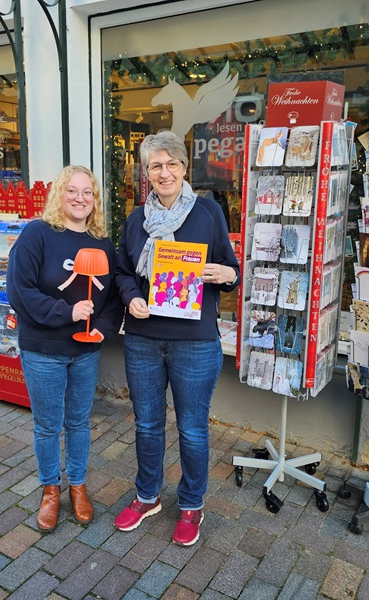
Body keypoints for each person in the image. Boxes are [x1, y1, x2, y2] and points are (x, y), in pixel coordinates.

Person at [114, 131, 240, 546]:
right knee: (147, 424)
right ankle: (148, 495)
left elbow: (230, 266)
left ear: (184, 168)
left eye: (171, 164)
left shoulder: (207, 213)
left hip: (194, 340)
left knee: (192, 428)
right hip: (143, 338)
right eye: (155, 165)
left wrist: (226, 275)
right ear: (146, 173)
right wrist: (132, 297)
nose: (164, 172)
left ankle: (191, 504)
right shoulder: (136, 220)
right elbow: (122, 272)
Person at [7, 165, 123, 533]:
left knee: (78, 422)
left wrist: (101, 330)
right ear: (59, 194)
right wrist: (67, 312)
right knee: (47, 425)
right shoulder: (37, 235)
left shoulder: (102, 243)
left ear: (95, 200)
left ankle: (77, 486)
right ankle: (50, 491)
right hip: (43, 349)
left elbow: (113, 298)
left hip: (85, 352)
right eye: (72, 191)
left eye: (87, 192)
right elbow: (20, 291)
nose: (80, 198)